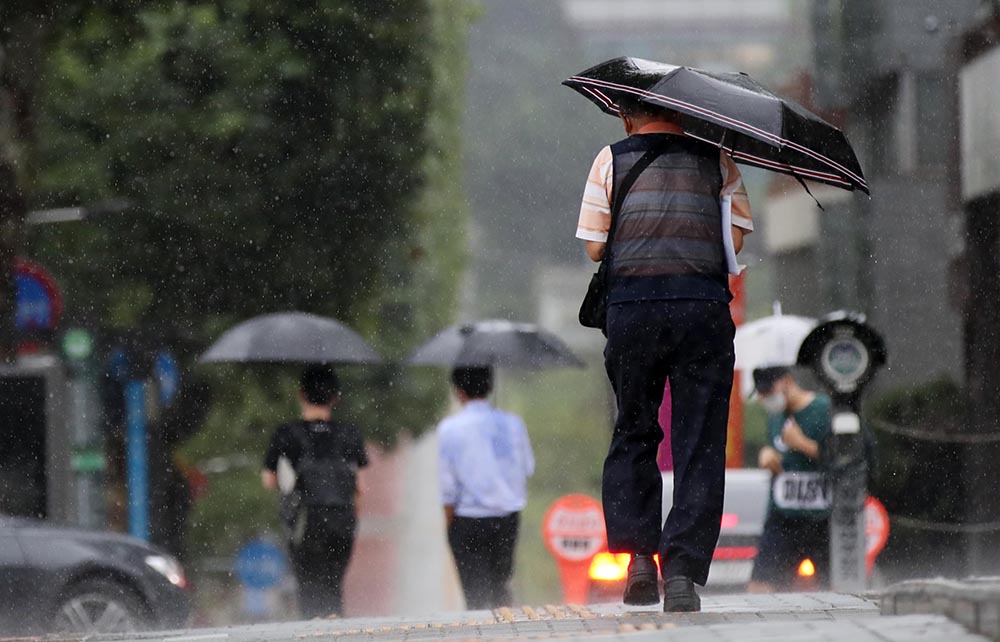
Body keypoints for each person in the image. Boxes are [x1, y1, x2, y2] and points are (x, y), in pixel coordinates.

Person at [576, 97, 754, 612]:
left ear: (625, 115)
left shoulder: (611, 159)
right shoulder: (718, 159)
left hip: (633, 311)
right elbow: (736, 240)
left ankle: (638, 561)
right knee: (698, 441)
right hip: (701, 310)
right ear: (684, 113)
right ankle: (681, 574)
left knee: (634, 429)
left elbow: (594, 248)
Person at [261, 365, 368, 618]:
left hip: (305, 521)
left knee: (308, 588)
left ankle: (312, 629)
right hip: (342, 520)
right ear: (335, 397)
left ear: (301, 394)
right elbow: (361, 487)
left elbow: (268, 480)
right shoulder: (349, 434)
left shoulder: (287, 434)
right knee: (333, 586)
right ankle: (336, 628)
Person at [437, 366, 534, 609]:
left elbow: (448, 488)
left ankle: (481, 627)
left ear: (459, 391)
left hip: (468, 520)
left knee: (475, 594)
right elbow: (527, 468)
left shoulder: (450, 429)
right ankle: (506, 626)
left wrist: (449, 527)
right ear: (490, 387)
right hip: (507, 518)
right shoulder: (513, 423)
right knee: (500, 586)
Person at [748, 366, 832, 593]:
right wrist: (767, 455)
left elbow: (844, 459)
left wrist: (803, 444)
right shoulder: (775, 417)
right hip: (783, 516)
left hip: (822, 517)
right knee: (760, 586)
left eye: (769, 391)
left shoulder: (824, 410)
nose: (766, 398)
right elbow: (777, 450)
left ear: (786, 381)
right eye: (761, 394)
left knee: (831, 585)